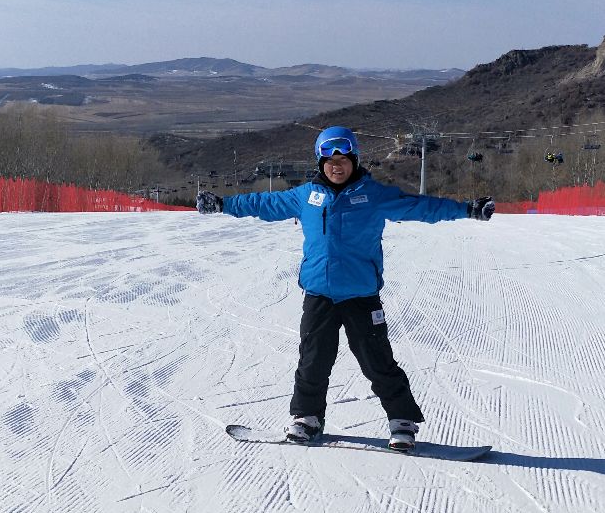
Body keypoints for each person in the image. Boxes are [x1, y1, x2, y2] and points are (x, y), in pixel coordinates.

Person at [196, 125, 495, 452]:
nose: (336, 166)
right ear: (320, 163)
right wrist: (223, 204)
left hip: (361, 295)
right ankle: (307, 419)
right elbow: (264, 203)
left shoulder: (374, 196)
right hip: (319, 293)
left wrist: (466, 209)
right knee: (313, 359)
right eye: (329, 160)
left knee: (377, 361)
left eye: (343, 159)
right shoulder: (306, 196)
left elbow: (421, 206)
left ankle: (402, 421)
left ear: (354, 160)